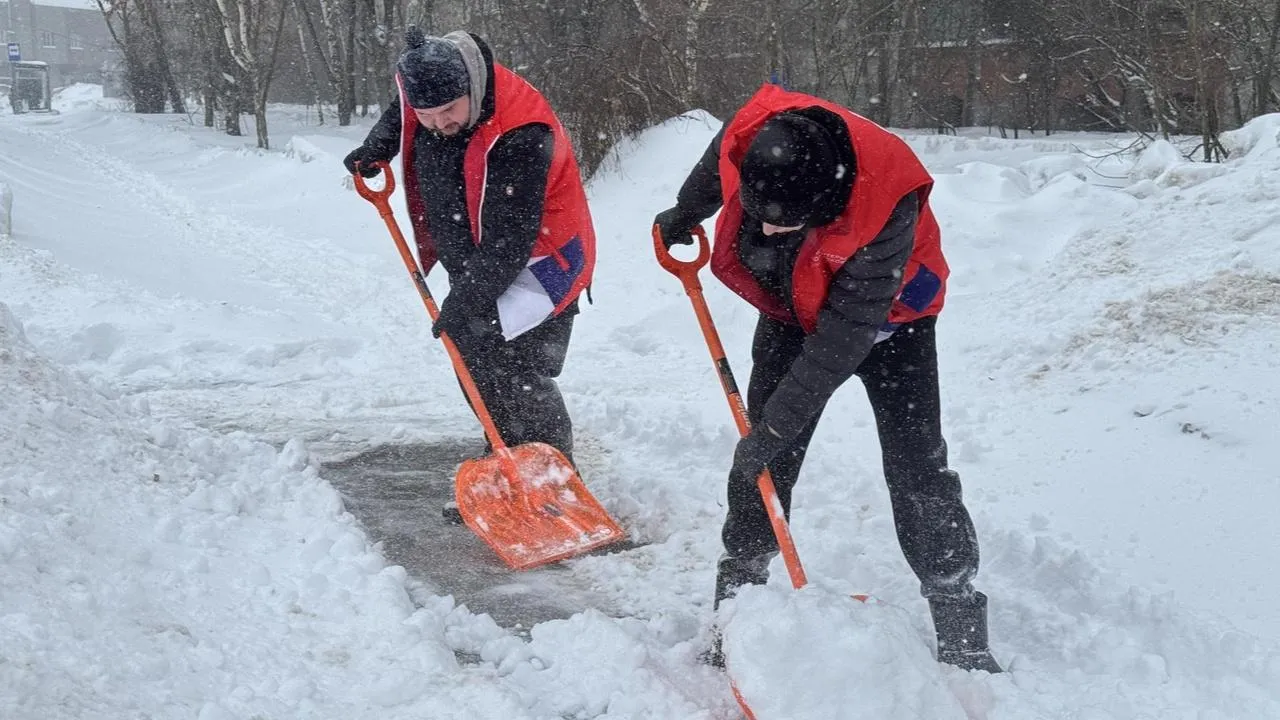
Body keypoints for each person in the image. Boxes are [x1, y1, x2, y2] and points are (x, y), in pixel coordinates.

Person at [653, 83, 1003, 674]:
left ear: (828, 202)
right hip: (795, 307)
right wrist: (686, 212)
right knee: (762, 465)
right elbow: (721, 158)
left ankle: (962, 627)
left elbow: (844, 336)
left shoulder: (887, 195)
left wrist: (775, 427)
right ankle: (735, 613)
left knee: (918, 469)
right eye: (760, 218)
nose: (762, 233)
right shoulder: (758, 129)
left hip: (893, 325)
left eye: (781, 224)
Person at [344, 28, 595, 481]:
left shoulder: (521, 132)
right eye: (427, 114)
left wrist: (463, 303)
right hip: (480, 256)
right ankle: (509, 465)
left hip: (543, 258)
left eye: (448, 111)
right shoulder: (427, 86)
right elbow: (404, 107)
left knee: (519, 368)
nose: (439, 123)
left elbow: (511, 239)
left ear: (471, 89)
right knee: (477, 359)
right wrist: (379, 145)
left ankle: (554, 481)